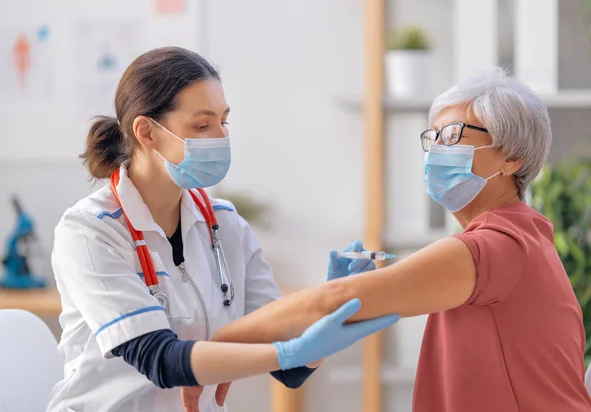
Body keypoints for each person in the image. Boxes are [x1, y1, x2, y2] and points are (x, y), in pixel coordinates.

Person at [207, 68, 591, 412]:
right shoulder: (524, 236)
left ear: (512, 158)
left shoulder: (498, 246)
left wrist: (207, 352)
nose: (438, 150)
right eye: (434, 137)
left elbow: (335, 302)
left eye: (454, 135)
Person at [46, 47, 399, 412]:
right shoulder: (89, 232)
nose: (219, 136)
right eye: (202, 125)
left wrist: (328, 310)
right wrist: (285, 351)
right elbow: (160, 359)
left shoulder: (226, 224)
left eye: (223, 122)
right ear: (147, 132)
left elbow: (290, 369)